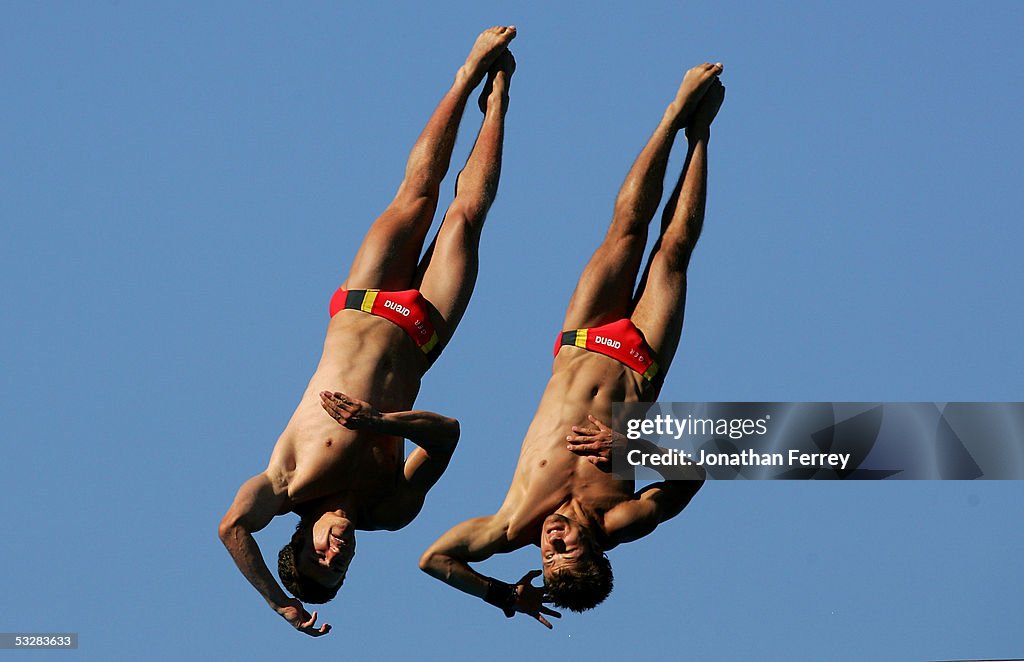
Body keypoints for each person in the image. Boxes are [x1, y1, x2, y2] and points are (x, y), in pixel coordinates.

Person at [218, 26, 517, 636]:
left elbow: (232, 529)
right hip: (421, 335)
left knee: (419, 193)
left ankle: (464, 79)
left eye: (319, 558)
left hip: (363, 305)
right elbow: (448, 436)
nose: (336, 554)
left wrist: (281, 605)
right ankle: (502, 96)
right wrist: (381, 424)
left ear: (298, 540)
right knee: (466, 216)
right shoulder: (390, 508)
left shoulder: (288, 483)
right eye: (340, 570)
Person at [418, 62, 725, 628]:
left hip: (584, 338)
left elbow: (433, 559)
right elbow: (693, 478)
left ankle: (671, 119)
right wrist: (631, 449)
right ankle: (699, 133)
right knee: (673, 251)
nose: (551, 541)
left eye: (547, 556)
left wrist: (498, 594)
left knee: (625, 231)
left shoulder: (514, 524)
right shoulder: (622, 520)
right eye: (566, 549)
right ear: (596, 550)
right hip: (641, 361)